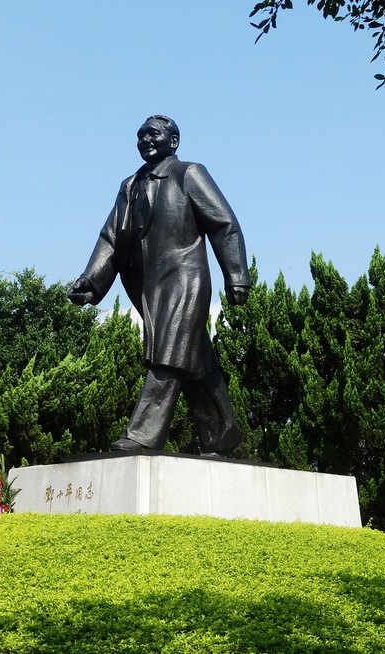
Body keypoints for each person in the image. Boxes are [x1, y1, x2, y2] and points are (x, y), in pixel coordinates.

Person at [68, 114, 251, 456]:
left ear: (174, 141)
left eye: (152, 134)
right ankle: (221, 432)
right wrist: (91, 281)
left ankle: (143, 434)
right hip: (147, 285)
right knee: (191, 354)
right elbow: (111, 238)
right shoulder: (130, 185)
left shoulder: (189, 173)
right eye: (140, 136)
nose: (145, 141)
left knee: (168, 353)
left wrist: (237, 274)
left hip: (185, 277)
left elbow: (223, 224)